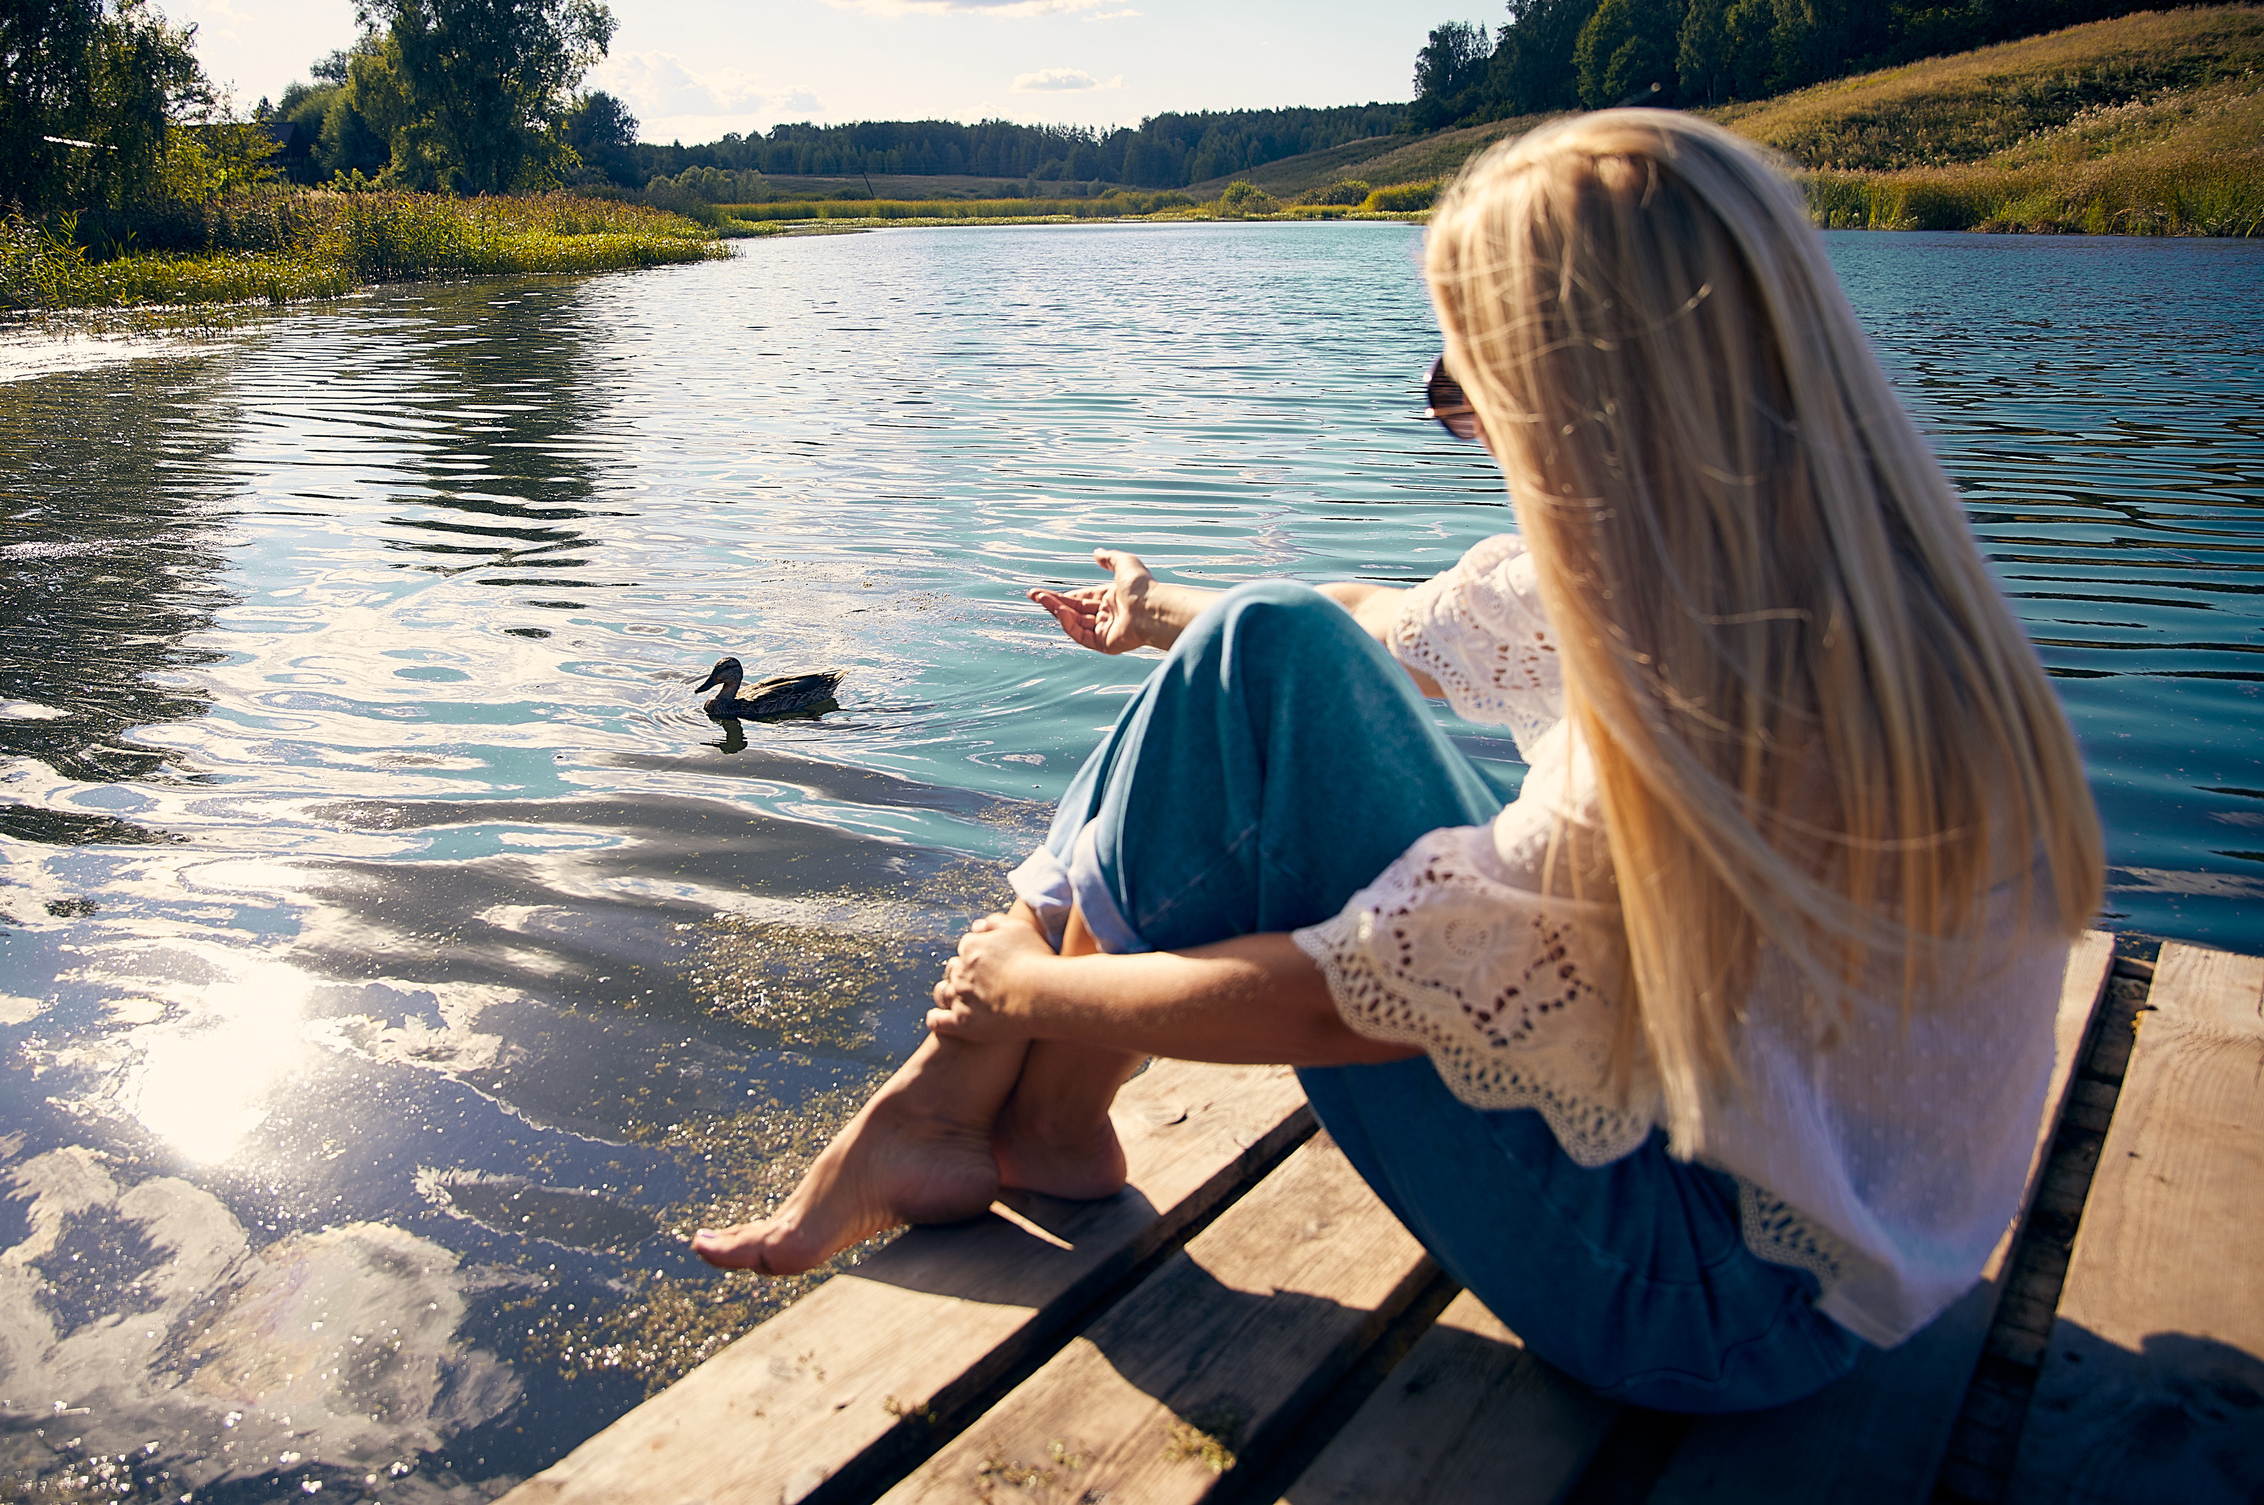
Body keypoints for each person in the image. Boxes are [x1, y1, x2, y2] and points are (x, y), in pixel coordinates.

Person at [692, 110, 2106, 1413]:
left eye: (1464, 384)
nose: (1458, 428)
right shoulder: (1810, 565)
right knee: (1271, 645)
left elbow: (1363, 1003)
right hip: (1831, 1229)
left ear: (1577, 392)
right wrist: (1154, 615)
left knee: (1268, 698)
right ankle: (1033, 1124)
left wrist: (1032, 985)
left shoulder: (1726, 685)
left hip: (1724, 1303)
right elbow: (1375, 628)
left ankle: (961, 1097)